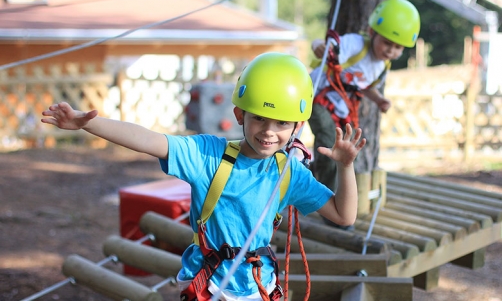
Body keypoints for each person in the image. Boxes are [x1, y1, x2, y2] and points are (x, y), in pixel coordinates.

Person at [41, 52, 366, 301]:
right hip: (209, 284)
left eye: (282, 123)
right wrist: (89, 124)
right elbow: (149, 139)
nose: (269, 132)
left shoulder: (288, 172)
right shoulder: (208, 156)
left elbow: (343, 214)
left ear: (297, 126)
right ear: (240, 114)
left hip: (258, 287)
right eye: (259, 119)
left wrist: (346, 166)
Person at [308, 0, 420, 229]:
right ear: (372, 32)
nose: (391, 50)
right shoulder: (356, 45)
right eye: (387, 43)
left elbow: (364, 85)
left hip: (339, 108)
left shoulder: (381, 66)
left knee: (344, 151)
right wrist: (318, 44)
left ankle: (329, 193)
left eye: (398, 47)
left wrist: (379, 100)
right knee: (330, 144)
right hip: (315, 96)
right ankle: (326, 206)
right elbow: (327, 49)